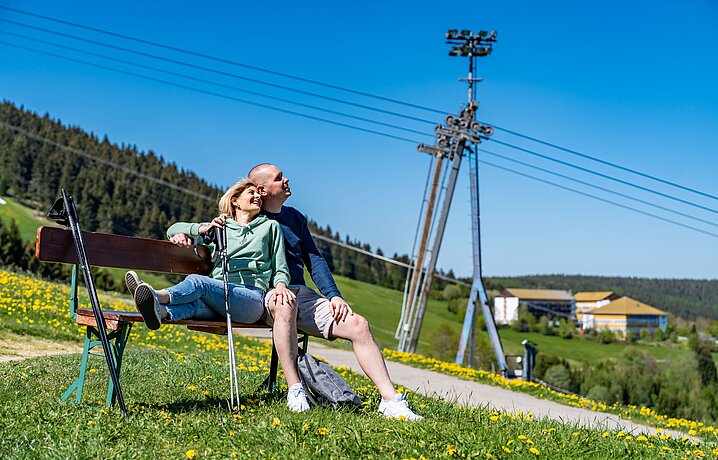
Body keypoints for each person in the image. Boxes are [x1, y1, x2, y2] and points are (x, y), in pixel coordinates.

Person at [247, 163, 422, 420]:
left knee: (358, 325)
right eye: (278, 178)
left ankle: (390, 400)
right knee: (284, 305)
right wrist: (185, 235)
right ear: (262, 189)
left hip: (299, 294)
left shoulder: (295, 218)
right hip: (266, 295)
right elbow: (211, 232)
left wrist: (334, 295)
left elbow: (314, 260)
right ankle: (295, 391)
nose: (286, 180)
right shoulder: (247, 216)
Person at [125, 179, 309, 412]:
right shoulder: (220, 228)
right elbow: (173, 229)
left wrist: (281, 285)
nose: (257, 197)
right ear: (235, 200)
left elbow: (280, 266)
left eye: (258, 195)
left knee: (198, 283)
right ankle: (161, 311)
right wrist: (200, 230)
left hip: (251, 299)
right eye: (251, 193)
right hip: (219, 299)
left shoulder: (269, 227)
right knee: (193, 305)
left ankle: (156, 295)